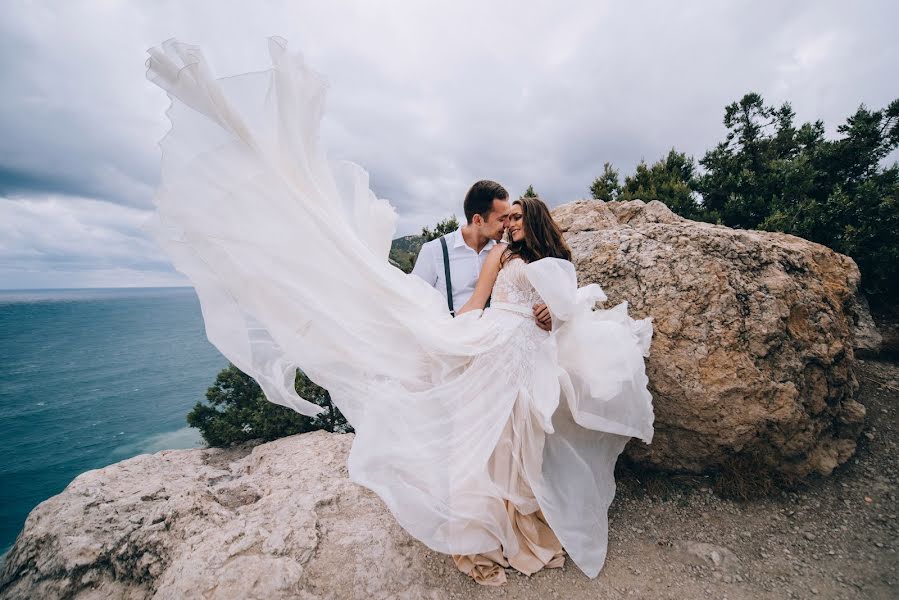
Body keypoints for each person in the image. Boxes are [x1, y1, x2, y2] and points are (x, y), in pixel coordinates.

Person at [145, 37, 654, 587]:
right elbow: (461, 304)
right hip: (471, 343)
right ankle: (472, 526)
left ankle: (515, 514)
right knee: (468, 437)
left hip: (517, 357)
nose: (508, 226)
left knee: (510, 443)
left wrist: (550, 316)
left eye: (515, 219)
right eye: (503, 219)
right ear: (483, 218)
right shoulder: (462, 253)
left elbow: (551, 300)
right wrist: (444, 334)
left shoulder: (532, 257)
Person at [411, 180, 553, 331]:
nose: (507, 224)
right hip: (450, 334)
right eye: (501, 219)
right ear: (478, 220)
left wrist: (550, 310)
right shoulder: (434, 251)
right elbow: (414, 302)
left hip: (495, 339)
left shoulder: (507, 252)